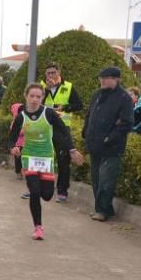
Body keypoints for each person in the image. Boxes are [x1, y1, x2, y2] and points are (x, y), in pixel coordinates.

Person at [9, 83, 84, 240]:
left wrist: (71, 149)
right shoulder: (21, 116)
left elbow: (64, 132)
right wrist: (13, 147)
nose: (35, 99)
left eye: (38, 96)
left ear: (42, 97)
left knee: (48, 195)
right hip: (29, 156)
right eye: (32, 96)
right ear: (26, 96)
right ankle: (38, 227)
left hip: (46, 157)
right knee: (35, 191)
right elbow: (12, 136)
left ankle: (45, 195)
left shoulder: (48, 113)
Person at [82, 67, 134, 222]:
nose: (103, 80)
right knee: (96, 179)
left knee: (106, 180)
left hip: (111, 148)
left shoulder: (124, 98)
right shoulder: (97, 95)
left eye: (107, 78)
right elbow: (89, 115)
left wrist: (110, 138)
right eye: (101, 78)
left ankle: (103, 210)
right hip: (94, 145)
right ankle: (102, 208)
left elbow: (127, 123)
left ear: (116, 79)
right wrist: (85, 131)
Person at [42, 61, 84, 203]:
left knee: (63, 160)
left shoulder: (68, 86)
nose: (51, 76)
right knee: (42, 158)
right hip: (44, 126)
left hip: (62, 127)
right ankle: (39, 187)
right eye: (48, 73)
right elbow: (34, 103)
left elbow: (79, 105)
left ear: (59, 73)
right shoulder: (41, 87)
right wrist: (47, 90)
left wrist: (65, 107)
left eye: (53, 72)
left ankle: (62, 190)